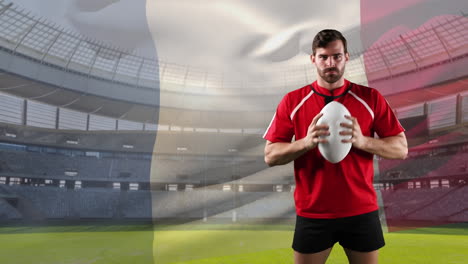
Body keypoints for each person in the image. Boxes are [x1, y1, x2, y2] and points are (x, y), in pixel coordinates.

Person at [263, 29, 408, 264]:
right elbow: (270, 155)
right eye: (323, 57)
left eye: (337, 56)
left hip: (361, 210)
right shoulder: (293, 100)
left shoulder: (370, 98)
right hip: (313, 212)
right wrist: (306, 143)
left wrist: (363, 141)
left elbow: (401, 148)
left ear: (347, 57)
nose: (330, 63)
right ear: (313, 59)